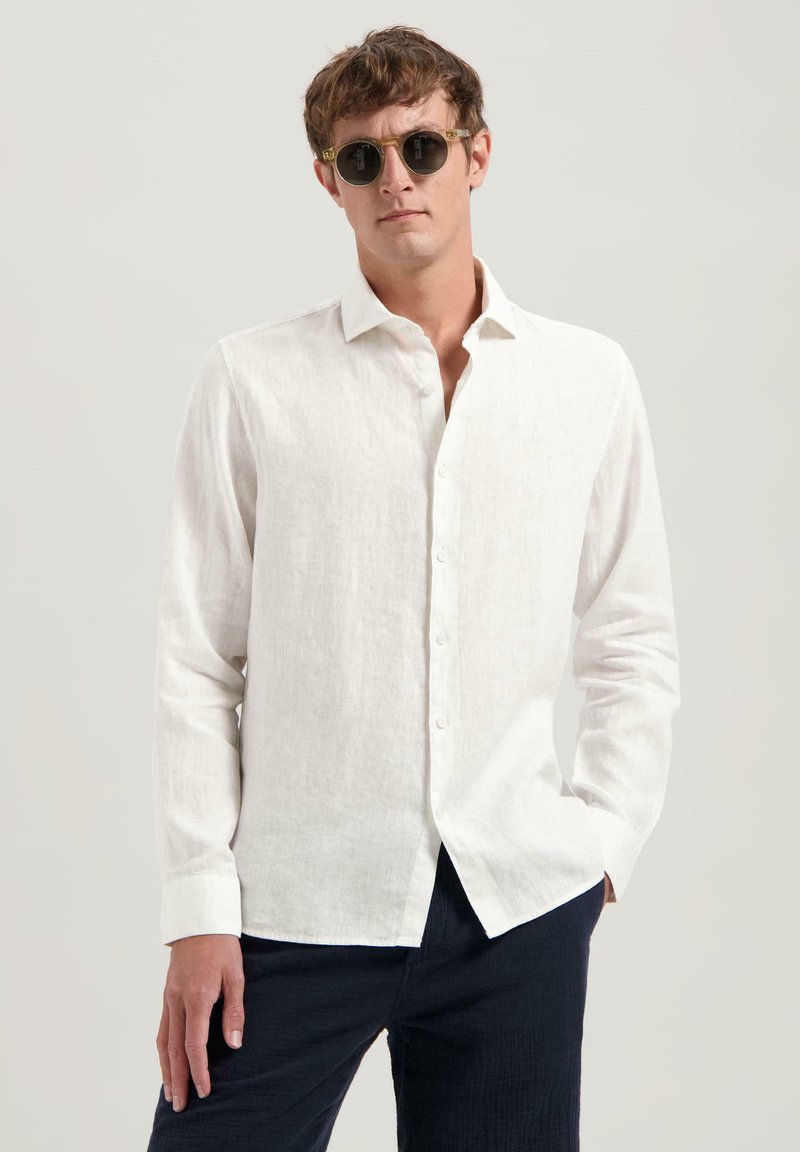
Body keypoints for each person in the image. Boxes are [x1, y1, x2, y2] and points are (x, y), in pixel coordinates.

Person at [146, 23, 680, 1152]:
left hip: (514, 910)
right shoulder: (253, 381)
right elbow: (197, 660)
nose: (396, 178)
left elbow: (631, 636)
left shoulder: (585, 380)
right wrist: (198, 909)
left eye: (422, 148)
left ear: (476, 155)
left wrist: (599, 850)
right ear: (327, 181)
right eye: (363, 157)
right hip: (295, 909)